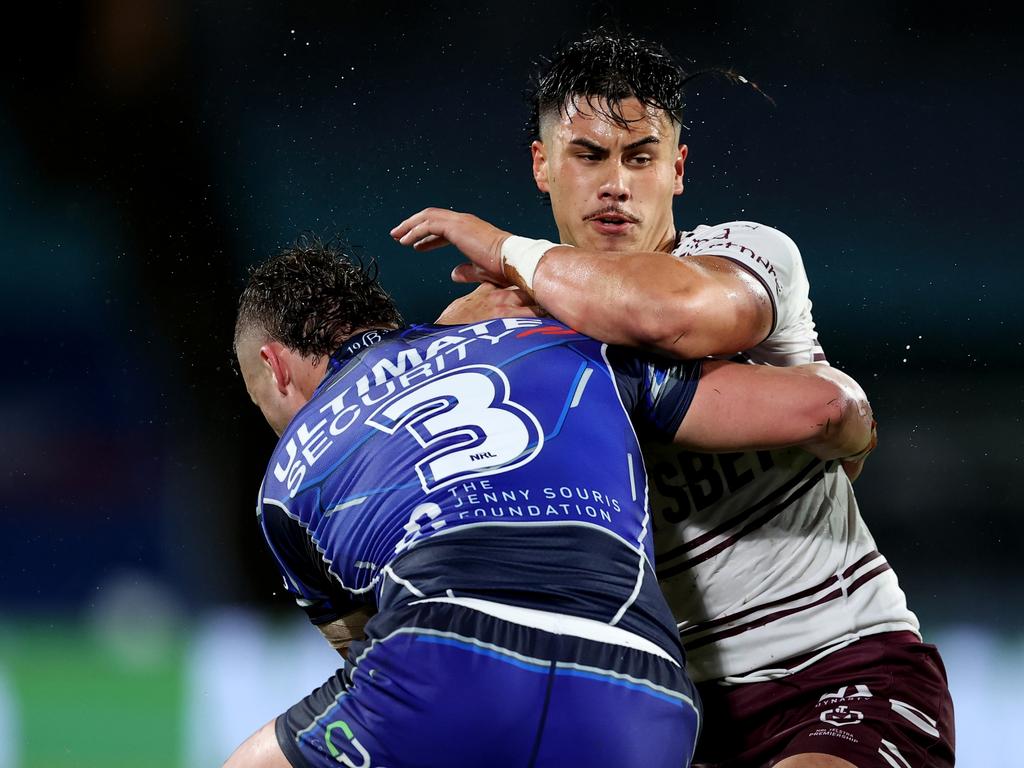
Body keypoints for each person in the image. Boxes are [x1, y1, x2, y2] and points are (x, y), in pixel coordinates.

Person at [390, 29, 955, 768]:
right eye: (589, 156)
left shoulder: (743, 255)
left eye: (641, 157)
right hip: (662, 712)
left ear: (678, 169)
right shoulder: (492, 334)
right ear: (542, 164)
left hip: (836, 669)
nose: (616, 184)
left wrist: (506, 250)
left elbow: (671, 317)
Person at [225, 238, 875, 768]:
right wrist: (852, 429)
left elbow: (369, 655)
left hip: (452, 660)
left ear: (275, 367)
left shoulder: (288, 477)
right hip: (643, 692)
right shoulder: (554, 339)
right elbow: (819, 409)